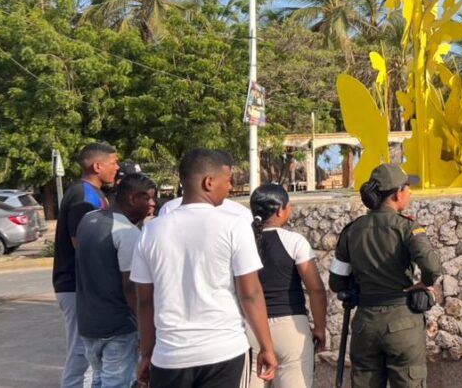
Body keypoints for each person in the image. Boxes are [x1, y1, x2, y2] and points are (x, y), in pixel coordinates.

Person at [130, 149, 277, 387]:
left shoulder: (150, 232)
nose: (230, 187)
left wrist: (146, 354)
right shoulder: (234, 226)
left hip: (169, 356)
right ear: (209, 182)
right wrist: (266, 347)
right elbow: (250, 293)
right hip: (224, 351)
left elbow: (145, 301)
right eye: (228, 180)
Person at [329, 164, 443, 388]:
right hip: (403, 322)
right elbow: (432, 268)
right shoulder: (407, 228)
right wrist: (424, 284)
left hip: (365, 325)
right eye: (407, 187)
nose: (410, 192)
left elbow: (336, 281)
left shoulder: (352, 231)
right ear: (397, 193)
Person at [75, 173, 157, 388]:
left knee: (98, 378)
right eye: (148, 198)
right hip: (118, 327)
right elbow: (131, 287)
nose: (152, 204)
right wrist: (144, 326)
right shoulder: (126, 232)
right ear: (133, 199)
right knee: (117, 382)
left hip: (88, 323)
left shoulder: (88, 219)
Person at [247, 184, 329, 388]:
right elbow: (316, 290)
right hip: (291, 329)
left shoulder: (242, 242)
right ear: (279, 210)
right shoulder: (294, 241)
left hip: (251, 329)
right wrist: (320, 328)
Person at [54, 142, 121, 388]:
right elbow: (83, 246)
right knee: (81, 350)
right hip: (76, 286)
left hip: (85, 287)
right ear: (97, 166)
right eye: (113, 162)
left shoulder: (95, 193)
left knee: (90, 353)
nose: (117, 167)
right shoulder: (84, 197)